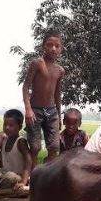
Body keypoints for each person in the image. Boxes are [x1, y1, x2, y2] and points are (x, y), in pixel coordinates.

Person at [22, 30, 65, 170]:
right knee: (34, 147)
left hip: (52, 111)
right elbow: (25, 87)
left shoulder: (60, 70)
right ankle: (33, 174)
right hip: (35, 110)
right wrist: (28, 109)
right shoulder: (37, 64)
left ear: (61, 49)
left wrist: (59, 115)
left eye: (57, 46)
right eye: (50, 45)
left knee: (54, 147)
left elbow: (57, 94)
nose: (53, 48)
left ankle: (46, 174)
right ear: (43, 46)